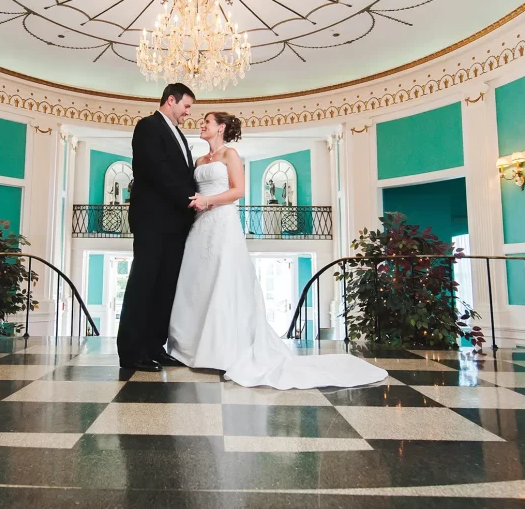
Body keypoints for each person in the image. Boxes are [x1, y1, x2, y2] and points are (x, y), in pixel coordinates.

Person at [167, 111, 389, 389]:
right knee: (197, 280)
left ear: (220, 128)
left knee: (223, 278)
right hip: (200, 225)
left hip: (222, 222)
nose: (201, 125)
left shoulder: (230, 154)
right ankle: (190, 347)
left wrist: (208, 200)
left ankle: (222, 349)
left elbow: (238, 191)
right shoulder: (199, 160)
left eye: (207, 122)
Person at [117, 83, 203, 372]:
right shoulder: (147, 126)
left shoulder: (178, 133)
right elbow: (156, 170)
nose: (188, 112)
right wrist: (189, 200)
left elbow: (179, 173)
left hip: (176, 223)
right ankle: (131, 352)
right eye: (186, 106)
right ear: (171, 100)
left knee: (166, 288)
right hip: (152, 221)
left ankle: (155, 346)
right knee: (144, 285)